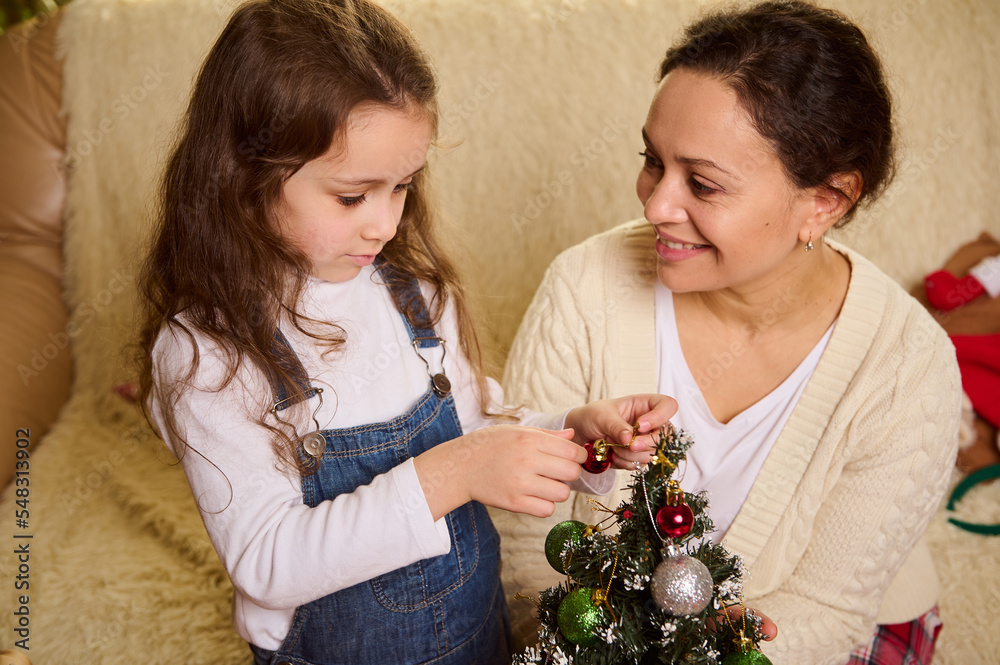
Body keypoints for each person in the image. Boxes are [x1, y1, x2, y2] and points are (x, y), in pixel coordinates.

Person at [135, 1, 677, 663]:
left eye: (403, 186)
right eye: (352, 195)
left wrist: (567, 432)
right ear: (245, 177)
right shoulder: (208, 354)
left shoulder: (413, 296)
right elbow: (267, 561)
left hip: (477, 634)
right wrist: (451, 473)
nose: (385, 223)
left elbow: (474, 429)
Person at [499, 2, 962, 664]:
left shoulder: (908, 368)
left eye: (704, 184)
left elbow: (828, 608)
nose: (655, 204)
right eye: (652, 160)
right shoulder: (584, 285)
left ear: (825, 200)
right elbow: (523, 538)